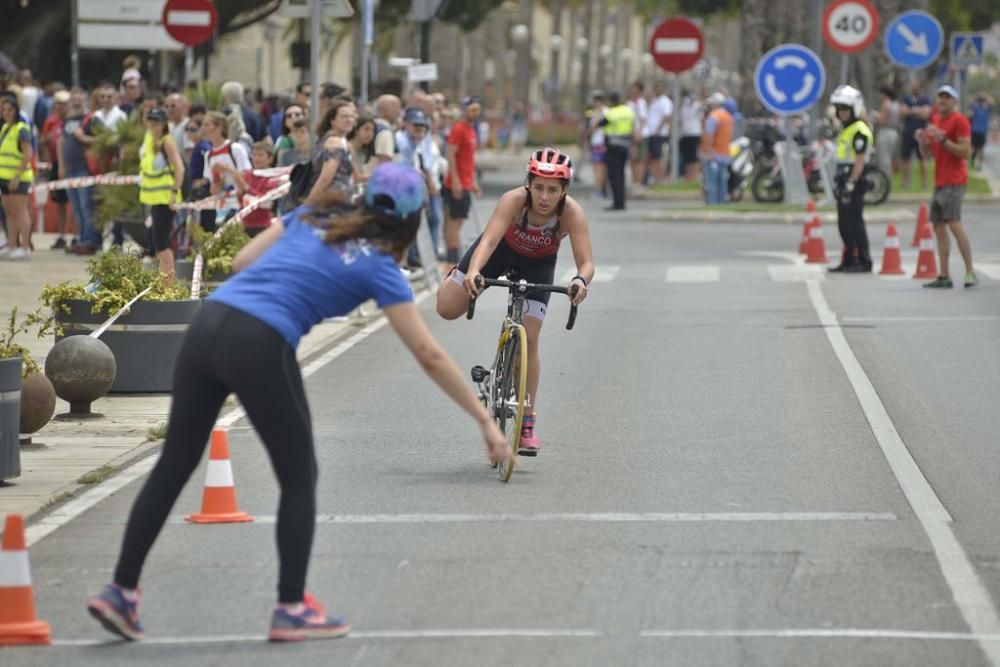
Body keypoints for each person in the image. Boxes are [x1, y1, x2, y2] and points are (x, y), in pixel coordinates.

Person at [86, 162, 512, 642]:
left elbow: (243, 262)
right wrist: (485, 422)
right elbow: (429, 354)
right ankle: (291, 606)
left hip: (207, 325)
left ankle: (121, 590)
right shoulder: (381, 266)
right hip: (260, 341)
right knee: (299, 474)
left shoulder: (312, 217)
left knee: (174, 464)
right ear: (413, 221)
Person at [435, 148, 594, 456]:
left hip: (538, 265)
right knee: (447, 309)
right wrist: (475, 271)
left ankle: (527, 424)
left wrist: (580, 281)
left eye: (552, 190)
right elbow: (490, 239)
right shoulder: (513, 201)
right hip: (498, 253)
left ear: (564, 191)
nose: (544, 197)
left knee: (531, 338)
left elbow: (586, 262)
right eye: (538, 188)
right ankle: (454, 276)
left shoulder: (571, 213)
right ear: (528, 185)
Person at [917, 85, 977, 289]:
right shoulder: (935, 121)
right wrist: (923, 142)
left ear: (955, 102)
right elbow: (928, 155)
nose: (943, 100)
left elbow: (965, 152)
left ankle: (969, 271)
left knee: (953, 222)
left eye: (947, 97)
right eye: (940, 96)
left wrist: (943, 139)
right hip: (940, 180)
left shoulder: (960, 121)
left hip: (955, 180)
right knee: (939, 226)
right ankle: (944, 275)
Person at [828, 85, 874, 273]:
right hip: (843, 178)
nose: (841, 113)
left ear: (854, 108)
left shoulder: (859, 130)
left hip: (854, 180)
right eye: (839, 109)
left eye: (845, 109)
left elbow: (860, 160)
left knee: (854, 221)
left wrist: (851, 183)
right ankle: (848, 260)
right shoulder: (846, 128)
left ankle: (863, 261)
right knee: (843, 222)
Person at [138, 107, 185, 279]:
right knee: (157, 244)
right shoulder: (150, 140)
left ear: (163, 124)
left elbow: (179, 168)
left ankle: (168, 284)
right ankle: (165, 282)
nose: (152, 124)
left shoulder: (167, 141)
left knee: (162, 244)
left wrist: (174, 193)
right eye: (150, 120)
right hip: (153, 199)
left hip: (166, 199)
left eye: (156, 121)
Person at [59, 88, 104, 255]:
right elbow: (62, 142)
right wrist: (62, 165)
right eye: (74, 99)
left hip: (85, 170)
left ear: (85, 100)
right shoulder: (68, 119)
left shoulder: (92, 119)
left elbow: (104, 139)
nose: (76, 102)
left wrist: (84, 138)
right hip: (70, 170)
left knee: (87, 208)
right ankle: (82, 239)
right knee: (77, 209)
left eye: (79, 99)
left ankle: (90, 241)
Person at [442, 96, 482, 263]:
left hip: (466, 181)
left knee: (455, 220)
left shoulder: (471, 130)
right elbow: (450, 154)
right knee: (454, 222)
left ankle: (451, 252)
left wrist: (473, 182)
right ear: (464, 109)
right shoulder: (459, 129)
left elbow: (469, 159)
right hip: (456, 184)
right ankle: (452, 254)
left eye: (477, 110)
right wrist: (456, 181)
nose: (475, 113)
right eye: (472, 109)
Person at [203, 110, 252, 229]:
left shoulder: (235, 149)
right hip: (222, 208)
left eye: (207, 124)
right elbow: (214, 191)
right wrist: (217, 177)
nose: (203, 128)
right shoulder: (209, 155)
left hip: (240, 206)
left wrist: (226, 169)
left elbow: (246, 180)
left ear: (219, 128)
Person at [0, 96, 35, 260]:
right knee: (9, 212)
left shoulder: (22, 129)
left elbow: (28, 154)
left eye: (10, 110)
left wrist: (17, 176)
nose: (6, 113)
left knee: (21, 212)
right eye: (4, 110)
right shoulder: (5, 128)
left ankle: (25, 247)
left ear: (16, 111)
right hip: (4, 177)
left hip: (18, 177)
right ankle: (12, 245)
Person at [307, 100, 357, 201]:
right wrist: (309, 201)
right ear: (332, 120)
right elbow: (326, 178)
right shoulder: (334, 142)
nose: (349, 120)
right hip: (333, 200)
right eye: (344, 116)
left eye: (351, 116)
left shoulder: (328, 139)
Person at [41, 89, 72, 249]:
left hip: (72, 165)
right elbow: (44, 142)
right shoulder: (50, 121)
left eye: (64, 104)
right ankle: (61, 236)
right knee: (60, 202)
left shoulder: (73, 120)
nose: (61, 107)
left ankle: (77, 237)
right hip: (54, 164)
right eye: (58, 103)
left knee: (75, 202)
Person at [598, 91, 635, 211]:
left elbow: (601, 123)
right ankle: (622, 201)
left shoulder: (611, 112)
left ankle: (617, 203)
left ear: (611, 101)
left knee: (614, 176)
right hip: (625, 146)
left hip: (613, 147)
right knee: (621, 174)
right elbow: (633, 126)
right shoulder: (628, 111)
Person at [700, 92, 733, 206]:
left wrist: (708, 151)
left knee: (711, 183)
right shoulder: (728, 116)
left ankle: (712, 204)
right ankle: (722, 204)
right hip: (725, 154)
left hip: (713, 155)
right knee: (722, 183)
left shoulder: (714, 116)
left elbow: (709, 134)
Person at [900, 80, 931, 190]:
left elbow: (926, 114)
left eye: (916, 86)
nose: (914, 88)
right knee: (905, 158)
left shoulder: (926, 99)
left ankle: (924, 183)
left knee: (922, 158)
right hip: (907, 132)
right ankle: (905, 182)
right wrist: (917, 111)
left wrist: (911, 111)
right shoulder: (906, 99)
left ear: (920, 88)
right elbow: (902, 112)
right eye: (912, 86)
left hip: (921, 134)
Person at [645, 81, 673, 185]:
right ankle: (654, 177)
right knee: (653, 157)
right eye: (656, 87)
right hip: (651, 133)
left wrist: (658, 129)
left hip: (660, 134)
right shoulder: (654, 100)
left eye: (660, 87)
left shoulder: (665, 101)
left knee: (659, 157)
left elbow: (666, 116)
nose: (658, 89)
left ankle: (660, 178)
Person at [584, 91, 608, 198]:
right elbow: (589, 129)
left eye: (597, 101)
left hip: (602, 143)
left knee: (600, 169)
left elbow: (593, 128)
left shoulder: (605, 112)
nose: (595, 104)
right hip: (595, 143)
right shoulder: (593, 113)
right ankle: (601, 190)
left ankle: (600, 191)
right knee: (597, 168)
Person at [876, 87, 901, 177]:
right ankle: (889, 177)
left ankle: (885, 177)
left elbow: (882, 121)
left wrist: (876, 117)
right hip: (894, 132)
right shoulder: (896, 104)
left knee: (884, 158)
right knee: (890, 157)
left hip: (885, 132)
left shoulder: (886, 104)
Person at [372, 95, 402, 165]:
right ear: (385, 110)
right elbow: (385, 163)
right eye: (396, 107)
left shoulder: (374, 125)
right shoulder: (385, 132)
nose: (399, 111)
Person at [347, 115, 376, 184]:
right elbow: (356, 177)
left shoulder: (363, 151)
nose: (370, 134)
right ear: (356, 130)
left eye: (372, 131)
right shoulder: (348, 147)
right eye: (366, 129)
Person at [968, 93, 991, 171]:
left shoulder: (979, 108)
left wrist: (977, 97)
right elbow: (990, 102)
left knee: (977, 149)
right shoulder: (981, 108)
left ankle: (974, 162)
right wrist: (985, 97)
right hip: (978, 131)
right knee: (979, 149)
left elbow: (970, 101)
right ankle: (977, 163)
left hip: (977, 131)